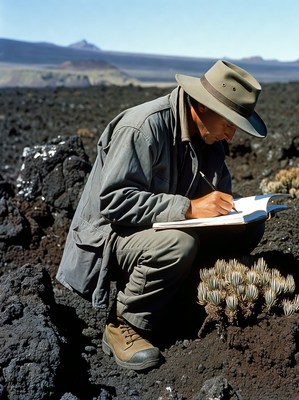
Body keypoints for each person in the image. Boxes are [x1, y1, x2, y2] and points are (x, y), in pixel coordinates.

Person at [56, 60, 268, 371]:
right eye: (229, 123)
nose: (231, 136)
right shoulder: (143, 127)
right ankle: (124, 324)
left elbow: (215, 199)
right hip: (109, 239)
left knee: (249, 228)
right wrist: (190, 208)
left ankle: (181, 292)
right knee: (176, 245)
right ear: (201, 105)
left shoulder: (210, 138)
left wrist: (235, 211)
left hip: (160, 231)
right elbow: (114, 202)